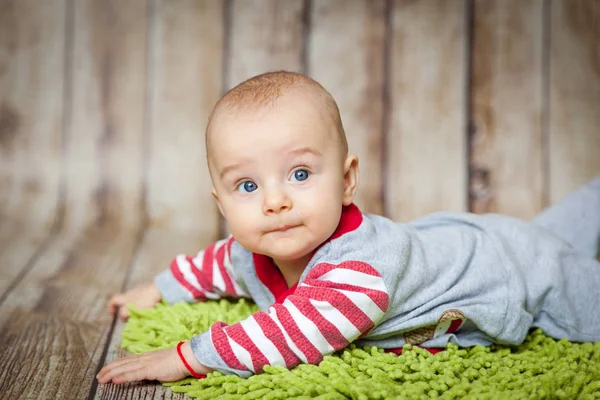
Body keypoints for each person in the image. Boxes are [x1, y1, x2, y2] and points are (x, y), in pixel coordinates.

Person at [97, 71, 600, 385]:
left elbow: (290, 332)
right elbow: (210, 267)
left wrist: (188, 356)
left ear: (346, 180)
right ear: (222, 204)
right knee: (560, 225)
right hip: (476, 238)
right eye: (246, 186)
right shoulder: (249, 250)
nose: (274, 200)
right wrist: (158, 289)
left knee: (572, 272)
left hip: (518, 272)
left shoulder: (360, 271)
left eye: (299, 174)